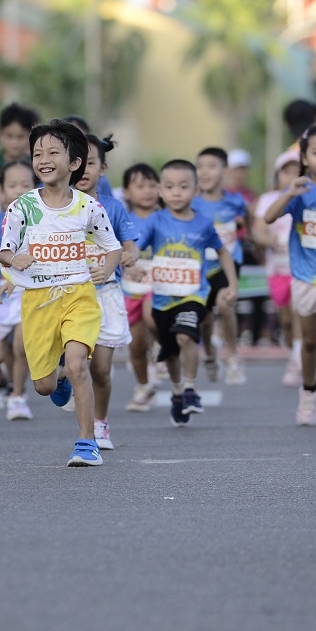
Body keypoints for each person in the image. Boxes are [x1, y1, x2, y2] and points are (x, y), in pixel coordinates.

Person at [0, 119, 122, 466]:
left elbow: (113, 248)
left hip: (79, 296)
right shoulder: (22, 207)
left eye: (53, 152)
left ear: (75, 162)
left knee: (79, 363)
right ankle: (60, 378)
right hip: (38, 301)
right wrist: (15, 260)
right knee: (44, 387)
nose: (43, 159)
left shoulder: (88, 207)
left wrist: (107, 268)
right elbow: (4, 251)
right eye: (38, 153)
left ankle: (87, 443)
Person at [137, 160, 237, 428]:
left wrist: (232, 284)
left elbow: (223, 251)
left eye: (183, 186)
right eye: (169, 187)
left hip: (193, 296)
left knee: (185, 336)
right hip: (162, 298)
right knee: (170, 350)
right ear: (160, 190)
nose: (176, 192)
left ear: (195, 190)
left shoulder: (204, 224)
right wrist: (129, 258)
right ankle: (178, 392)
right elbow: (137, 246)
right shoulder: (155, 221)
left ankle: (191, 388)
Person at [74, 134, 139, 450]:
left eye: (91, 163)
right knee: (68, 364)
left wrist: (128, 257)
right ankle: (62, 380)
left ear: (103, 167)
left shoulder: (113, 208)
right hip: (65, 295)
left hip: (105, 295)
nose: (83, 169)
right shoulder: (51, 206)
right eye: (78, 162)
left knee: (99, 369)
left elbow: (131, 247)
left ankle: (100, 423)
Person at [261, 125, 316, 425]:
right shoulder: (300, 191)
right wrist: (289, 194)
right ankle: (309, 389)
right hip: (306, 278)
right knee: (310, 342)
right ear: (305, 157)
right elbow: (269, 217)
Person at [0, 160, 35, 421]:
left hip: (25, 292)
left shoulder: (39, 221)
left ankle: (17, 396)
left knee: (20, 347)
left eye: (26, 185)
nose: (18, 190)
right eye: (12, 185)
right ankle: (13, 383)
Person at [192, 147, 248, 385]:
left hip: (228, 263)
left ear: (224, 171)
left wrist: (249, 232)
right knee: (204, 319)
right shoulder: (191, 203)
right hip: (201, 267)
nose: (205, 172)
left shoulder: (236, 202)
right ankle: (210, 355)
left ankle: (233, 358)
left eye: (211, 166)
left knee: (225, 305)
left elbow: (248, 225)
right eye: (200, 166)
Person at [252, 151, 301, 388]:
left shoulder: (308, 196)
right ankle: (295, 352)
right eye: (286, 171)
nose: (292, 176)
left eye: (296, 171)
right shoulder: (268, 200)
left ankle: (298, 361)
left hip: (303, 268)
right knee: (287, 320)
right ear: (278, 175)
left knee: (298, 313)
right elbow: (258, 231)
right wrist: (269, 240)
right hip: (277, 269)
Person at [120, 162, 161, 412]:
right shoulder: (121, 219)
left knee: (153, 316)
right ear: (126, 192)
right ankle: (144, 386)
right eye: (139, 186)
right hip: (130, 288)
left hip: (160, 287)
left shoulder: (167, 217)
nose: (146, 191)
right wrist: (127, 266)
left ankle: (162, 346)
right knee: (136, 347)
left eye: (151, 185)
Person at [0, 102, 39, 179]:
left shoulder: (36, 166)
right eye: (9, 136)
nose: (15, 143)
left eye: (20, 136)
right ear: (0, 135)